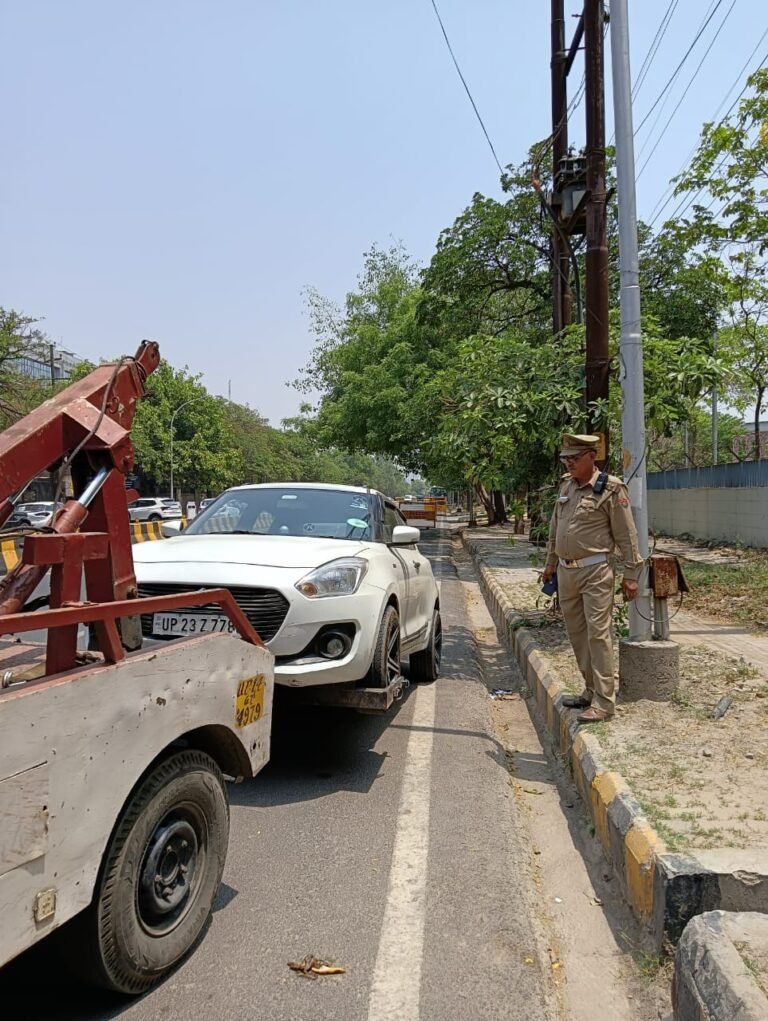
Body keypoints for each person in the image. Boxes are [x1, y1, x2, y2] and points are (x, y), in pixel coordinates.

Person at [541, 433, 644, 723]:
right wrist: (550, 563)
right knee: (578, 634)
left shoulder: (610, 489)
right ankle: (590, 690)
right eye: (566, 459)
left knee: (598, 636)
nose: (569, 464)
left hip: (596, 571)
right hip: (566, 571)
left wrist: (631, 575)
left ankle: (604, 702)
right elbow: (554, 528)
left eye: (574, 458)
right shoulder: (566, 486)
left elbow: (627, 536)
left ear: (591, 456)